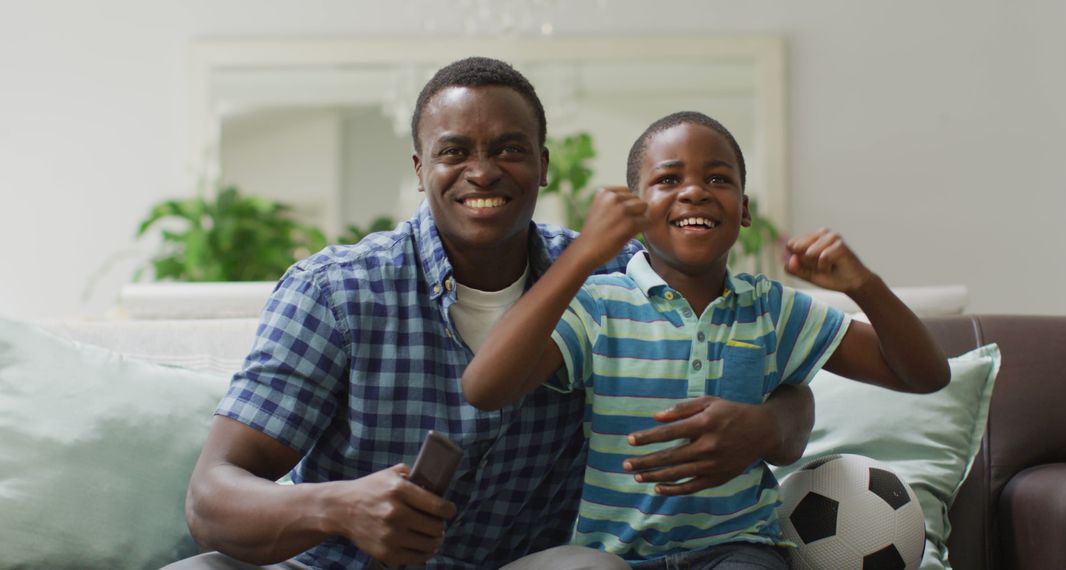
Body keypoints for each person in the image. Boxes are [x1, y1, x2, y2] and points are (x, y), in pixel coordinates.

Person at [173, 59, 820, 570]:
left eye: (509, 150)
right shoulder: (336, 292)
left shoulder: (619, 280)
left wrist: (768, 425)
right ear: (421, 168)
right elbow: (213, 497)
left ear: (543, 166)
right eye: (455, 152)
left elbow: (783, 376)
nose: (482, 172)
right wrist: (340, 506)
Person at [461, 111, 950, 567]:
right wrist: (582, 254)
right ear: (634, 211)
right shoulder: (599, 304)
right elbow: (484, 387)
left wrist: (864, 285)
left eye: (718, 179)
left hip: (736, 549)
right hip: (615, 555)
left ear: (744, 210)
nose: (694, 192)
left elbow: (926, 375)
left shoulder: (773, 310)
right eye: (668, 179)